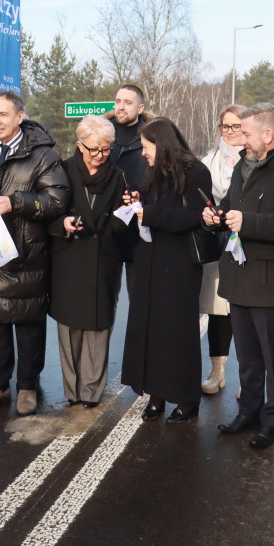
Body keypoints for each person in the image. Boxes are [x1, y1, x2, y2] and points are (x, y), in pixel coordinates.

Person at [206, 104, 274, 448]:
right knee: (249, 358)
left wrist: (248, 221)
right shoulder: (244, 164)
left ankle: (272, 421)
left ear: (267, 136)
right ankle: (249, 411)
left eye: (247, 133)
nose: (241, 140)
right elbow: (232, 204)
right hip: (239, 278)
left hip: (271, 284)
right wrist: (216, 215)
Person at [0, 91, 69, 416]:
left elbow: (57, 201)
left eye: (3, 115)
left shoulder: (43, 154)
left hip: (25, 256)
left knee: (29, 326)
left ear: (20, 117)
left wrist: (17, 201)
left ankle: (27, 388)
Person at [121, 117, 213, 424]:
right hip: (149, 260)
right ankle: (156, 393)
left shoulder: (196, 171)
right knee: (149, 330)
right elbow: (151, 207)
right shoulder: (154, 171)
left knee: (177, 334)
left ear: (162, 145)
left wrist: (151, 214)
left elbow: (195, 215)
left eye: (146, 148)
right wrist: (137, 202)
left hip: (180, 265)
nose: (143, 154)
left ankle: (187, 398)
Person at [48, 116, 128, 408]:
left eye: (106, 150)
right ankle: (73, 390)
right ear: (79, 145)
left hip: (104, 259)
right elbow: (48, 211)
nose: (100, 156)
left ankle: (92, 391)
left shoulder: (118, 176)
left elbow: (121, 223)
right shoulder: (61, 171)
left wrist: (129, 211)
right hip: (69, 257)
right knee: (69, 326)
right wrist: (63, 224)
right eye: (94, 149)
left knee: (98, 325)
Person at [198, 104, 246, 395]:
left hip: (246, 244)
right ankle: (217, 371)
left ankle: (247, 377)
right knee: (218, 311)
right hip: (217, 243)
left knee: (244, 312)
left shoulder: (255, 159)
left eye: (236, 126)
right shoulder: (209, 161)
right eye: (225, 126)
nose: (229, 133)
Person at [107, 84, 151, 190]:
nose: (121, 107)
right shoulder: (101, 134)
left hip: (142, 205)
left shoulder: (153, 138)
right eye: (118, 102)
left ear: (140, 108)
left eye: (128, 102)